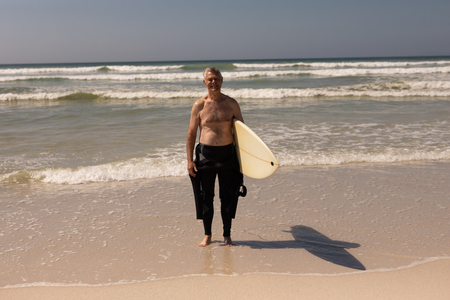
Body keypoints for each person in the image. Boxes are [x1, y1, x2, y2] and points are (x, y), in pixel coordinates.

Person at [186, 67, 245, 247]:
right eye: (210, 79)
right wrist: (189, 160)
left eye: (216, 79)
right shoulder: (199, 105)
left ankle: (227, 235)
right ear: (205, 82)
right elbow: (191, 134)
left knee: (227, 197)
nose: (213, 82)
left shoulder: (232, 104)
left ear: (222, 80)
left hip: (228, 156)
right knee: (206, 197)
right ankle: (208, 235)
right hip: (206, 156)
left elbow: (243, 133)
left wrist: (246, 161)